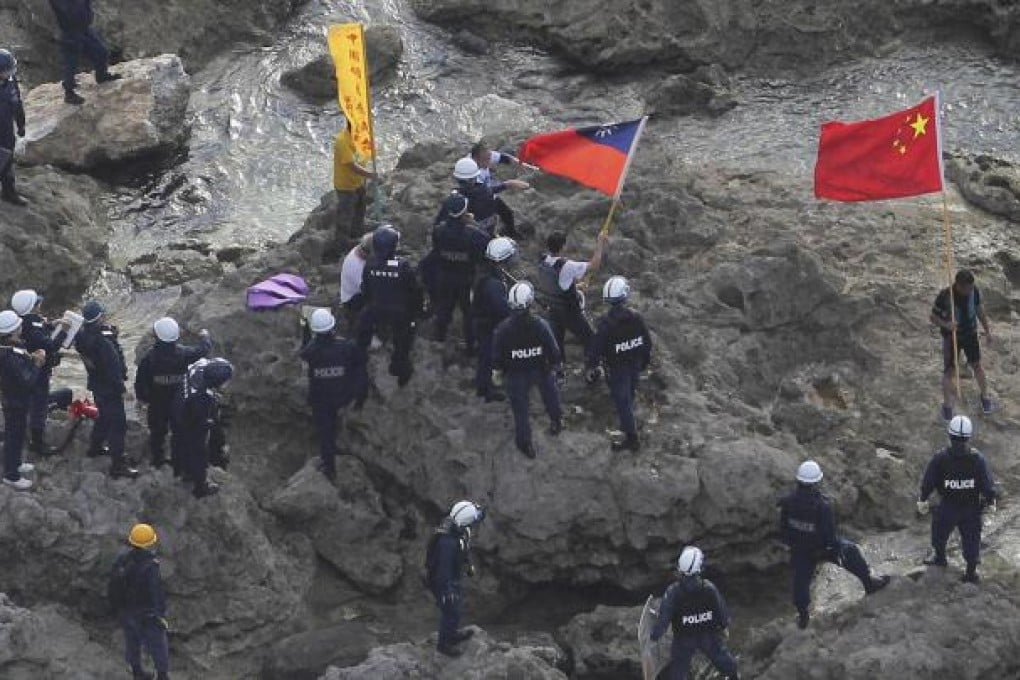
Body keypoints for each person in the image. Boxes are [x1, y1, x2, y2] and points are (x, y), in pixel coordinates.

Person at [778, 460, 889, 629]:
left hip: (801, 550)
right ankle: (869, 583)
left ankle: (803, 616)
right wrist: (833, 549)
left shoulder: (787, 502)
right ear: (816, 483)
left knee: (800, 582)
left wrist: (795, 546)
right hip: (822, 549)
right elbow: (829, 536)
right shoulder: (823, 506)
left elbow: (784, 529)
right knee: (851, 551)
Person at [917, 415, 996, 583]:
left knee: (939, 533)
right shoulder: (977, 458)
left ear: (949, 435)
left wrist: (923, 498)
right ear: (968, 436)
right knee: (972, 540)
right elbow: (987, 483)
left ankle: (940, 557)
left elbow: (928, 480)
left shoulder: (941, 458)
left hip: (948, 506)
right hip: (971, 509)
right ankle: (971, 572)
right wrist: (991, 501)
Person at [492, 282, 563, 458]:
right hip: (541, 369)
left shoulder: (503, 329)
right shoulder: (540, 325)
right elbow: (553, 349)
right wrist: (556, 365)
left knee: (520, 410)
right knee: (551, 396)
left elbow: (496, 356)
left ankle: (525, 444)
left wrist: (498, 371)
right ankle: (556, 421)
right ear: (530, 301)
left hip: (515, 374)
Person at [650, 546, 740, 680]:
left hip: (684, 638)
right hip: (708, 635)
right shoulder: (709, 588)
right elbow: (721, 613)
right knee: (724, 661)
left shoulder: (673, 592)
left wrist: (653, 636)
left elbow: (663, 622)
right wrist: (724, 626)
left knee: (679, 670)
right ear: (700, 567)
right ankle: (734, 677)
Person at [299, 308, 368, 482]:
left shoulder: (311, 352)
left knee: (325, 433)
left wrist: (304, 328)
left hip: (321, 399)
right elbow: (361, 367)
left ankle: (329, 466)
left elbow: (305, 350)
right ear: (333, 326)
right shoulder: (347, 347)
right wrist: (359, 397)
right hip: (344, 396)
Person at [134, 318, 211, 471]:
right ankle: (178, 461)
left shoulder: (149, 359)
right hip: (178, 402)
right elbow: (203, 350)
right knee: (179, 431)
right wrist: (205, 337)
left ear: (157, 337)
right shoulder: (183, 354)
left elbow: (140, 384)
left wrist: (144, 399)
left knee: (157, 432)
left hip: (157, 403)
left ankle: (157, 459)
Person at [586, 276, 652, 452]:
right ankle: (627, 422)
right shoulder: (636, 318)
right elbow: (647, 343)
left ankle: (632, 438)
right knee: (629, 395)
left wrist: (591, 367)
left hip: (617, 370)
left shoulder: (606, 324)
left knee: (622, 401)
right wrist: (644, 362)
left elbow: (595, 349)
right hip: (635, 364)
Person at [74, 301, 138, 479]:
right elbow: (113, 369)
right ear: (99, 318)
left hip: (96, 384)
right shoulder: (104, 344)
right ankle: (118, 464)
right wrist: (123, 390)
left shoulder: (81, 336)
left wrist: (111, 334)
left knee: (103, 417)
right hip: (110, 388)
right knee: (118, 425)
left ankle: (95, 448)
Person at [358, 224, 422, 387]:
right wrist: (417, 311)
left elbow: (366, 290)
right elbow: (414, 292)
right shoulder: (403, 266)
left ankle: (361, 359)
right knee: (403, 344)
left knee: (363, 328)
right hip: (400, 314)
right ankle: (400, 372)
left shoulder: (369, 265)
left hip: (376, 310)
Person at [11, 289, 71, 455]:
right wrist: (64, 331)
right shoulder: (32, 325)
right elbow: (49, 345)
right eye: (38, 303)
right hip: (39, 370)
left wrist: (52, 324)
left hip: (27, 371)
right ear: (33, 307)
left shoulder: (20, 322)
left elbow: (38, 328)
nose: (40, 305)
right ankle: (38, 443)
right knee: (40, 405)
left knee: (35, 401)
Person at [931, 269, 994, 421]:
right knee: (949, 372)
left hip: (970, 334)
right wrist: (946, 324)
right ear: (959, 286)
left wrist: (987, 330)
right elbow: (933, 317)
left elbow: (979, 310)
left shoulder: (974, 291)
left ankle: (985, 397)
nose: (970, 290)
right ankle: (947, 407)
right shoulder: (945, 296)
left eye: (972, 287)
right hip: (951, 338)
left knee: (977, 365)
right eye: (967, 288)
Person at [536, 230, 609, 363]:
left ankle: (559, 372)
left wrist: (575, 287)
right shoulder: (566, 266)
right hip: (569, 313)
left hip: (551, 309)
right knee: (590, 338)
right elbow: (594, 265)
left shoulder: (543, 261)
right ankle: (592, 367)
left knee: (557, 344)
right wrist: (600, 243)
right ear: (563, 246)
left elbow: (554, 284)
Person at [425, 500, 486, 657]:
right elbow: (443, 570)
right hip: (443, 581)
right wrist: (447, 590)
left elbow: (463, 551)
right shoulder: (447, 542)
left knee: (456, 610)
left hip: (453, 577)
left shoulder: (460, 532)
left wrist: (468, 566)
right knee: (450, 611)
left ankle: (451, 634)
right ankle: (444, 645)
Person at [431, 192, 490, 351]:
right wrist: (474, 223)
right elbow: (487, 244)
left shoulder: (438, 230)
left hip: (444, 275)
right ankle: (471, 344)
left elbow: (436, 248)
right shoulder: (473, 234)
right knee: (469, 313)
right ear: (464, 212)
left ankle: (439, 338)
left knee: (443, 307)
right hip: (466, 279)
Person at [111, 523, 169, 680]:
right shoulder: (151, 566)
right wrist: (160, 615)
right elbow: (155, 592)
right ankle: (162, 676)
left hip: (126, 611)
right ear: (150, 543)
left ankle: (137, 672)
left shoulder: (122, 560)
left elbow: (113, 585)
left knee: (132, 643)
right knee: (158, 645)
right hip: (146, 614)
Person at [171, 357, 232, 498]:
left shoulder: (200, 365)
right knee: (197, 450)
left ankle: (179, 467)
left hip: (176, 405)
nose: (228, 384)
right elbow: (206, 422)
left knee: (178, 440)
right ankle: (200, 486)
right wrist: (221, 442)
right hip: (188, 419)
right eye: (226, 381)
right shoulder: (202, 398)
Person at [0, 310, 45, 490]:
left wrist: (30, 357)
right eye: (18, 325)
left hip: (13, 399)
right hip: (15, 401)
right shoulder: (8, 357)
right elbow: (27, 381)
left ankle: (16, 462)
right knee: (14, 436)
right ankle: (11, 474)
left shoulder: (8, 349)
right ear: (11, 332)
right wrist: (37, 364)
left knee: (17, 434)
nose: (21, 326)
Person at [47, 0, 122, 105]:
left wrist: (88, 14)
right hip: (69, 32)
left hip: (84, 28)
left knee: (102, 52)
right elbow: (66, 11)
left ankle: (102, 75)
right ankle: (69, 94)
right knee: (71, 64)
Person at [472, 237, 516, 402]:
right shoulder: (493, 284)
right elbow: (501, 308)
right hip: (488, 324)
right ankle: (486, 389)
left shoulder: (490, 273)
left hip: (484, 320)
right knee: (487, 356)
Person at [452, 158, 529, 236]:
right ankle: (511, 231)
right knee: (505, 211)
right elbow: (490, 191)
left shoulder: (455, 198)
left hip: (476, 230)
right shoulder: (483, 191)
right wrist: (507, 184)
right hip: (484, 229)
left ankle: (510, 231)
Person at [466, 141, 525, 238]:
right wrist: (508, 184)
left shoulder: (485, 155)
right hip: (477, 199)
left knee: (507, 213)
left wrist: (518, 163)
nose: (489, 162)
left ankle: (511, 231)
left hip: (488, 193)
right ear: (476, 159)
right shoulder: (472, 173)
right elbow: (485, 192)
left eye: (489, 158)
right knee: (486, 224)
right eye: (486, 160)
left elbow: (502, 158)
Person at [333, 120, 376, 243]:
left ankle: (357, 233)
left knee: (360, 209)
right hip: (346, 186)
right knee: (345, 214)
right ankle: (342, 241)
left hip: (359, 182)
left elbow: (365, 151)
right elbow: (352, 165)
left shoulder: (360, 136)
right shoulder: (342, 141)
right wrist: (370, 175)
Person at [0, 49, 27, 206]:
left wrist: (21, 124)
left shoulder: (11, 81)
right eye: (7, 70)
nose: (10, 73)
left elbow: (17, 102)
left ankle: (9, 193)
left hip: (6, 129)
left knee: (7, 161)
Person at [339, 232, 373, 329]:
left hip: (355, 289)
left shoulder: (360, 248)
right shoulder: (356, 267)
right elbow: (368, 290)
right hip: (352, 299)